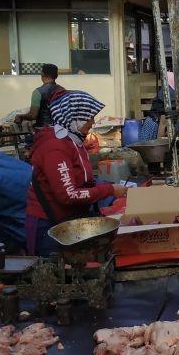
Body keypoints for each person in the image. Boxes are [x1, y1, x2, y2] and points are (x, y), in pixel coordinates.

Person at [24, 91, 125, 255]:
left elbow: (81, 180)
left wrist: (110, 189)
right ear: (75, 118)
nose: (92, 122)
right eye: (89, 117)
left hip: (66, 222)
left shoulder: (72, 141)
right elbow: (68, 194)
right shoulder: (55, 148)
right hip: (50, 227)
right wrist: (110, 190)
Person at [14, 64, 64, 128]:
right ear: (56, 76)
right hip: (60, 131)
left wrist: (20, 116)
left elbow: (33, 115)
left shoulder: (38, 92)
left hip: (43, 130)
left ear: (42, 74)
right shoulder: (62, 90)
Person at [139, 73, 176, 141]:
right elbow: (163, 122)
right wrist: (160, 142)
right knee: (153, 148)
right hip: (155, 124)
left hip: (150, 122)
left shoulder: (165, 91)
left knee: (147, 148)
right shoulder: (169, 94)